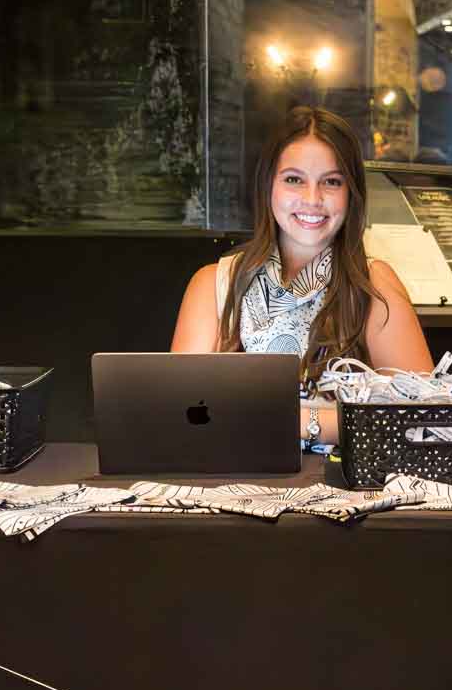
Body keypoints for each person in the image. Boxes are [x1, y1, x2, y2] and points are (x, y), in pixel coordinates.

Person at [172, 106, 433, 444]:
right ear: (268, 185)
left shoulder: (372, 284)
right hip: (231, 481)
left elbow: (425, 417)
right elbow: (181, 413)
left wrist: (297, 422)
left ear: (352, 194)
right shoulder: (214, 284)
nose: (313, 199)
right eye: (294, 179)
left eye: (332, 182)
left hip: (340, 485)